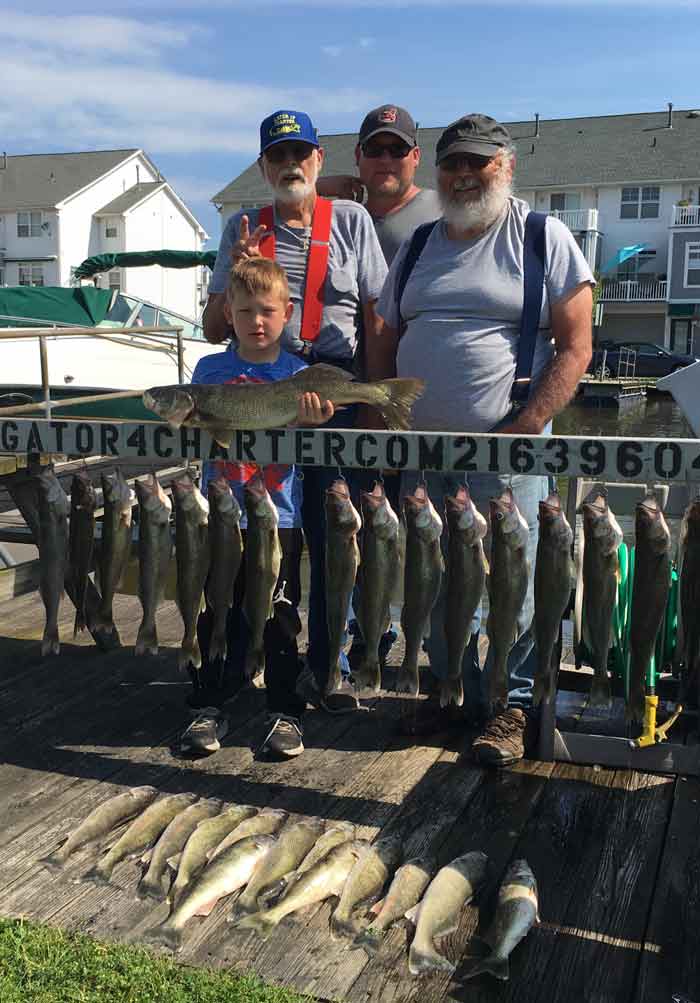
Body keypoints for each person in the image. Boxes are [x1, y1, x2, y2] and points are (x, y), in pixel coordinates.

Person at [372, 113, 594, 766]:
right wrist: (387, 413)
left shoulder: (541, 237)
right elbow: (382, 333)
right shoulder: (416, 245)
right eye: (453, 164)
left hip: (507, 452)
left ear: (507, 165)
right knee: (431, 580)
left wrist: (528, 426)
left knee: (514, 586)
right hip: (423, 455)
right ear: (437, 171)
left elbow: (577, 344)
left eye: (479, 162)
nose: (465, 175)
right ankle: (446, 690)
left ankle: (511, 705)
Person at [203, 109, 388, 714]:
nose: (290, 166)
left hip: (330, 392)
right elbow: (211, 328)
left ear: (318, 161)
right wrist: (235, 275)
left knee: (336, 535)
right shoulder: (241, 226)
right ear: (263, 166)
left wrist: (374, 397)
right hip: (257, 386)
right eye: (277, 156)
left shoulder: (352, 221)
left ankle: (328, 667)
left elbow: (376, 315)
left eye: (300, 154)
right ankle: (253, 657)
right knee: (270, 529)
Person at [181, 258, 334, 760]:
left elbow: (309, 440)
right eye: (244, 311)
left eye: (267, 311)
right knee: (217, 606)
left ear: (287, 313)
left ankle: (284, 709)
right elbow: (190, 426)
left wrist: (313, 421)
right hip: (221, 514)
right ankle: (210, 700)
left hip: (279, 518)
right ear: (228, 312)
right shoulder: (207, 372)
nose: (256, 321)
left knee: (280, 614)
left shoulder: (300, 375)